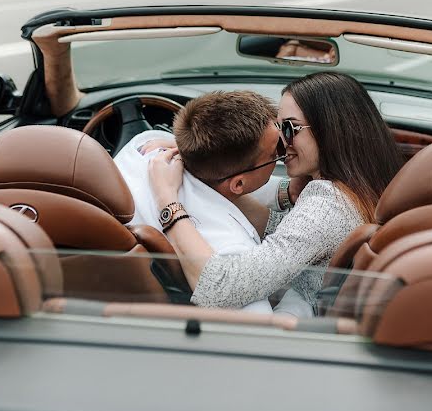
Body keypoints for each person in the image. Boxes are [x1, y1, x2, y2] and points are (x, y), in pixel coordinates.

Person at [149, 72, 405, 317]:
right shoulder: (352, 189)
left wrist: (167, 201)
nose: (282, 140)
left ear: (331, 130)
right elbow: (281, 232)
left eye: (291, 129)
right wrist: (207, 159)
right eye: (280, 127)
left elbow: (220, 288)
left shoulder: (328, 206)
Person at [115, 90, 304, 315]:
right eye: (278, 151)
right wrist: (305, 294)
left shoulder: (144, 145)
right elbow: (262, 328)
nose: (287, 147)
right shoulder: (230, 247)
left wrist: (287, 192)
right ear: (238, 185)